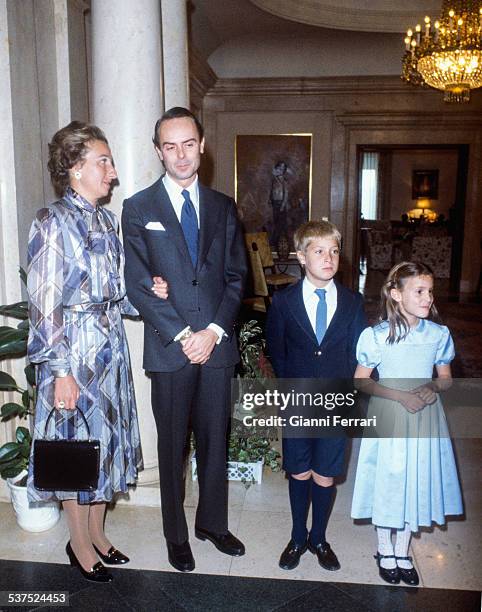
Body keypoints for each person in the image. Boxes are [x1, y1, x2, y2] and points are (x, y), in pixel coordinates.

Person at [26, 121, 166, 583]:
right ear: (73, 168)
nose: (112, 171)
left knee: (107, 446)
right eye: (103, 161)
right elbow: (45, 305)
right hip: (72, 356)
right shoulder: (51, 222)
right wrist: (60, 370)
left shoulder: (106, 220)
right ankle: (79, 543)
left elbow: (116, 294)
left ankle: (99, 532)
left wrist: (148, 294)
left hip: (110, 351)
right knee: (75, 448)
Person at [121, 107, 247, 573]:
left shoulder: (222, 205)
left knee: (216, 442)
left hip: (215, 347)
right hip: (171, 349)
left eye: (188, 144)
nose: (181, 155)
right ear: (158, 151)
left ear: (202, 146)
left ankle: (212, 523)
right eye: (170, 146)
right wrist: (182, 334)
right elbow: (137, 283)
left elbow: (237, 278)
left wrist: (213, 332)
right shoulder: (138, 209)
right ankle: (176, 535)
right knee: (172, 447)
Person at [351, 261, 463, 586]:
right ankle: (384, 547)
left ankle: (403, 549)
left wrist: (430, 388)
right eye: (419, 291)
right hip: (389, 412)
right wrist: (398, 396)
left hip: (426, 416)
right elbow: (361, 382)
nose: (428, 298)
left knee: (417, 477)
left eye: (430, 291)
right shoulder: (376, 336)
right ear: (396, 294)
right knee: (390, 479)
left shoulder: (439, 334)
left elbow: (445, 379)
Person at [266, 220, 366, 572]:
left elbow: (360, 355)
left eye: (334, 251)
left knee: (325, 473)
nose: (328, 258)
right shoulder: (283, 302)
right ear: (301, 257)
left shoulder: (353, 302)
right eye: (319, 251)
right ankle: (297, 537)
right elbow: (277, 351)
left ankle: (319, 537)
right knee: (299, 470)